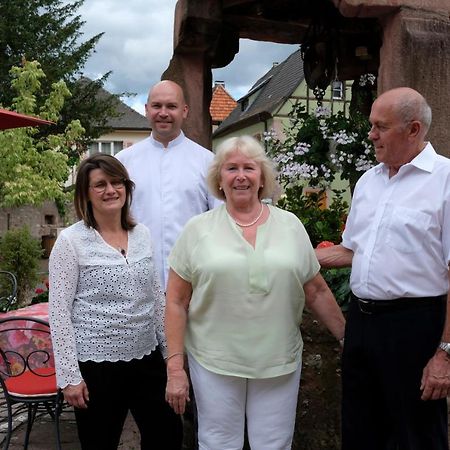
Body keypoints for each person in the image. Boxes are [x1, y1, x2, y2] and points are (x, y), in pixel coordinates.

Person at [164, 135, 346, 450]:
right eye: (231, 168)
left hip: (278, 359)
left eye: (249, 167)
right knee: (218, 442)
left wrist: (347, 337)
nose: (241, 176)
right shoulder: (197, 229)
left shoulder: (290, 225)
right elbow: (176, 301)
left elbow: (315, 290)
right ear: (219, 178)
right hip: (214, 360)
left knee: (274, 444)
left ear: (262, 176)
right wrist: (175, 367)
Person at [316, 87, 450, 450]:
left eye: (381, 126)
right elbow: (351, 250)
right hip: (362, 323)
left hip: (415, 326)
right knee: (360, 427)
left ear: (413, 129)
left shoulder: (445, 180)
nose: (371, 134)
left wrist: (444, 352)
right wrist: (293, 253)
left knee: (416, 433)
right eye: (372, 125)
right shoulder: (369, 181)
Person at [48, 154, 182, 450]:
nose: (111, 190)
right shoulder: (71, 242)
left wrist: (170, 358)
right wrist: (69, 377)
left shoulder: (142, 234)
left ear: (127, 187)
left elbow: (157, 301)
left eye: (117, 182)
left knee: (168, 434)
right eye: (100, 184)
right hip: (96, 367)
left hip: (147, 360)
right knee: (99, 443)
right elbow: (58, 313)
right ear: (85, 194)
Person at [116, 80, 219, 289]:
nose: (163, 113)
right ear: (146, 110)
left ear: (184, 111)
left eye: (171, 106)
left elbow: (220, 221)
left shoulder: (208, 162)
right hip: (137, 282)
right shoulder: (123, 162)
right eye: (157, 106)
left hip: (194, 281)